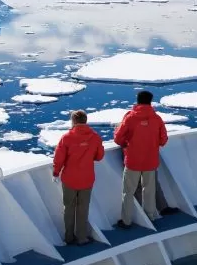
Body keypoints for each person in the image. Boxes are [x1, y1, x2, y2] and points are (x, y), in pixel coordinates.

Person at [113, 90, 169, 229]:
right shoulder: (157, 119)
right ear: (150, 101)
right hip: (150, 161)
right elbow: (163, 140)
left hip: (132, 161)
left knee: (128, 192)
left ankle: (126, 221)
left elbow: (118, 138)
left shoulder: (130, 118)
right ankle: (150, 217)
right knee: (149, 190)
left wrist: (127, 143)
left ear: (137, 100)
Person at [52, 110, 105, 245]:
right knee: (83, 208)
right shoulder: (95, 137)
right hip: (87, 179)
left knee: (69, 208)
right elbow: (99, 157)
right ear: (85, 121)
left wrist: (56, 172)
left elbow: (59, 158)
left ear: (73, 121)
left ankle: (69, 237)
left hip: (69, 179)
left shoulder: (67, 138)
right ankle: (82, 238)